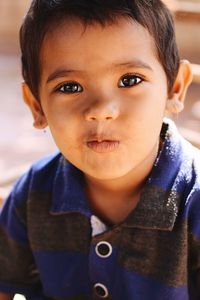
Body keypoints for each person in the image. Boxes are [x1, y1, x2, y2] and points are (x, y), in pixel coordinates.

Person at [0, 0, 199, 299]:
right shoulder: (33, 192)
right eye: (70, 87)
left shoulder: (194, 202)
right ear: (37, 106)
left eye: (129, 80)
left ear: (174, 89)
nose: (101, 110)